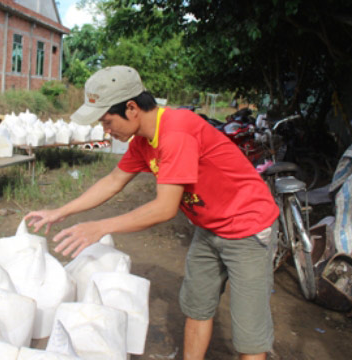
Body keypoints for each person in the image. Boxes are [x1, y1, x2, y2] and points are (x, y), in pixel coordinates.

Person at [25, 65, 279, 360]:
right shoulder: (143, 141)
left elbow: (164, 208)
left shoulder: (176, 132)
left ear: (131, 108)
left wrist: (99, 227)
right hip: (209, 227)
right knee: (197, 308)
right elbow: (113, 181)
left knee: (249, 335)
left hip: (247, 228)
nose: (105, 130)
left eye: (107, 121)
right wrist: (60, 211)